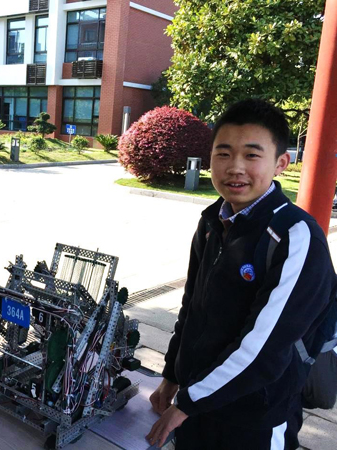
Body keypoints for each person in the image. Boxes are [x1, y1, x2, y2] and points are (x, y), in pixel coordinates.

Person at [146, 99, 337, 449]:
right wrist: (172, 375)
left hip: (254, 418)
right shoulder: (211, 222)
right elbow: (191, 308)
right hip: (197, 403)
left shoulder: (295, 236)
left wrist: (187, 403)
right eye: (223, 153)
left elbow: (264, 349)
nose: (235, 167)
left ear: (281, 163)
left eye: (251, 155)